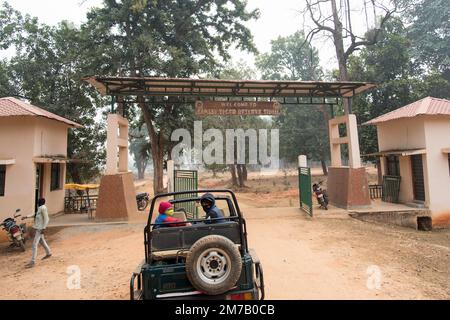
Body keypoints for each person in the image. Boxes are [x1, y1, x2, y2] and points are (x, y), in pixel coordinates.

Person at [22, 198, 52, 268]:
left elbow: (47, 219)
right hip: (38, 228)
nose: (37, 202)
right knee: (42, 241)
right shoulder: (40, 208)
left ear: (40, 202)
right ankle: (48, 253)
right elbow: (35, 214)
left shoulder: (43, 208)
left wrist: (44, 228)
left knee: (34, 244)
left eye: (38, 201)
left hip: (40, 229)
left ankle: (33, 261)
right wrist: (26, 217)